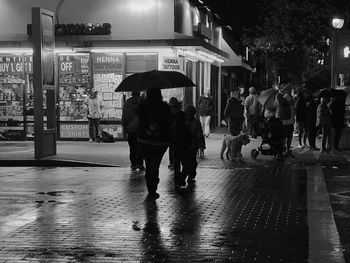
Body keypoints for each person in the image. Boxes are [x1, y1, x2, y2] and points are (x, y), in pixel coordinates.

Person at [136, 88, 172, 199]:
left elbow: (137, 114)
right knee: (155, 164)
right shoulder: (164, 107)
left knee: (148, 163)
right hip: (160, 142)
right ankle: (153, 186)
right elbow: (170, 120)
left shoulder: (144, 107)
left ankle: (150, 186)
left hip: (145, 140)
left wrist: (141, 102)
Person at [122, 91, 145, 171]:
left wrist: (124, 129)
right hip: (141, 129)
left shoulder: (127, 103)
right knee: (140, 147)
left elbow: (124, 117)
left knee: (132, 148)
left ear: (132, 94)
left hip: (130, 129)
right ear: (138, 94)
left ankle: (133, 164)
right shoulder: (143, 103)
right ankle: (140, 163)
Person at [170, 110, 192, 189]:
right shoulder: (186, 127)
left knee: (176, 166)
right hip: (184, 149)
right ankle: (182, 178)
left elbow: (171, 138)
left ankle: (177, 181)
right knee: (186, 165)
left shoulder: (173, 127)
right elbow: (190, 138)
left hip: (176, 149)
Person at [184, 105, 206, 185]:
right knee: (192, 160)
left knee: (185, 161)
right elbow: (200, 135)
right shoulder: (196, 122)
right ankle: (191, 175)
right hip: (193, 146)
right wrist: (202, 145)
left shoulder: (183, 121)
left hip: (184, 145)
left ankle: (184, 176)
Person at [275, 82, 295, 157]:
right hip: (283, 119)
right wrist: (287, 96)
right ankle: (282, 149)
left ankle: (288, 149)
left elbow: (292, 103)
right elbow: (282, 103)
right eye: (288, 89)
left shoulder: (289, 96)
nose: (290, 90)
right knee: (283, 135)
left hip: (291, 118)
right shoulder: (279, 95)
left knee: (289, 135)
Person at [167, 97, 181, 170]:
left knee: (171, 148)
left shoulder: (169, 112)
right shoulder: (179, 111)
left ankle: (172, 162)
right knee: (177, 148)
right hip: (178, 133)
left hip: (171, 133)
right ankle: (176, 162)